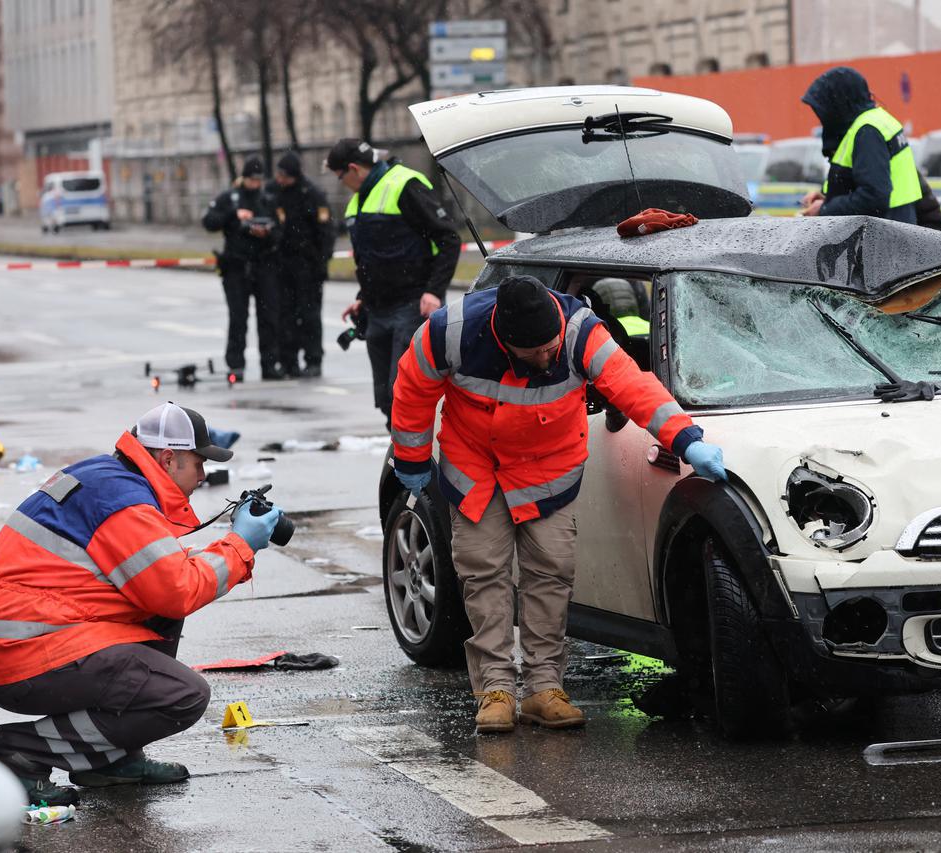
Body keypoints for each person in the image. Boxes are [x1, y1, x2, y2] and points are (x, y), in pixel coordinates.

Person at [389, 275, 726, 734]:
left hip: (548, 471)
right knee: (483, 572)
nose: (549, 357)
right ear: (505, 342)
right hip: (477, 468)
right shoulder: (448, 334)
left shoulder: (579, 331)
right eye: (537, 353)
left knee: (551, 574)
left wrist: (686, 440)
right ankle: (496, 690)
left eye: (552, 347)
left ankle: (543, 688)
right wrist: (410, 459)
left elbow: (632, 385)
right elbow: (413, 389)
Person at [0, 403, 285, 806]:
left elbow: (161, 582)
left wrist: (227, 548)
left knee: (162, 616)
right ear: (169, 458)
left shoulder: (109, 479)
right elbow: (177, 588)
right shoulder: (123, 503)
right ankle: (16, 753)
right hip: (19, 650)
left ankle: (109, 760)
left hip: (22, 637)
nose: (203, 476)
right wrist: (240, 545)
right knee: (182, 696)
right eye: (198, 463)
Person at [324, 138, 460, 426]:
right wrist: (363, 296)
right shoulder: (358, 201)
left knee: (405, 392)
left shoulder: (405, 184)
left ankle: (417, 461)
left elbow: (448, 238)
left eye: (340, 177)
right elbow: (372, 257)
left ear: (353, 169)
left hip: (412, 305)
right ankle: (400, 455)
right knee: (386, 397)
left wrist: (434, 292)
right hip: (377, 309)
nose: (341, 184)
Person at [799, 66, 922, 224]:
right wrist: (826, 196)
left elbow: (873, 197)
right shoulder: (878, 120)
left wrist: (825, 209)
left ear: (839, 104)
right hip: (897, 227)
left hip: (883, 235)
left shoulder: (867, 132)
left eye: (826, 110)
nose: (823, 119)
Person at [203, 156, 287, 380]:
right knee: (238, 318)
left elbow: (280, 232)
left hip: (264, 265)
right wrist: (233, 215)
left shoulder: (268, 200)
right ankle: (236, 366)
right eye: (251, 180)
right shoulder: (230, 198)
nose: (255, 184)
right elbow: (209, 221)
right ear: (244, 178)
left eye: (258, 180)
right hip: (236, 266)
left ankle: (270, 364)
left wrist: (266, 232)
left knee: (268, 318)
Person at [270, 150, 336, 378]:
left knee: (309, 316)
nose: (279, 179)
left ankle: (313, 360)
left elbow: (326, 232)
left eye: (283, 175)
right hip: (283, 265)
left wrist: (321, 261)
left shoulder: (312, 195)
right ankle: (288, 361)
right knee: (285, 316)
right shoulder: (276, 193)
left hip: (308, 267)